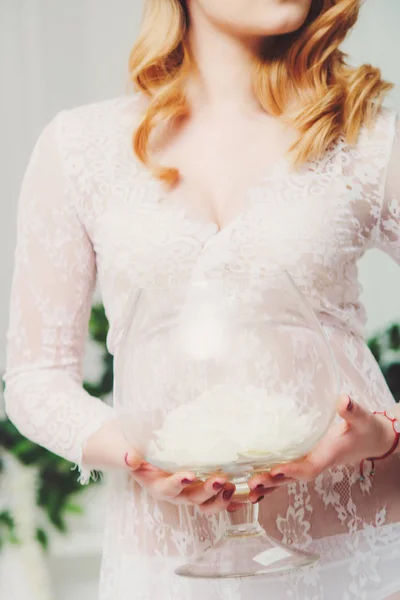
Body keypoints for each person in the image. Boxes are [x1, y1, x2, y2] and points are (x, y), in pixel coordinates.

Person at [3, 0, 400, 598]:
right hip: (166, 563)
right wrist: (138, 452)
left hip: (354, 547)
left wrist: (384, 435)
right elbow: (34, 377)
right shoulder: (78, 148)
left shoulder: (367, 136)